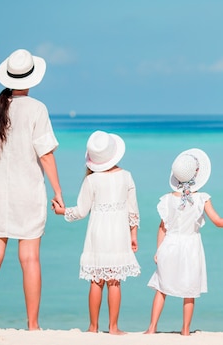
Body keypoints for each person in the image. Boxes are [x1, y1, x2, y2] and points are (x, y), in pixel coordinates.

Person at [0, 48, 64, 330]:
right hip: (28, 194)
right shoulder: (37, 109)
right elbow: (46, 155)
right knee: (30, 259)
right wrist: (58, 191)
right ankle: (33, 325)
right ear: (32, 78)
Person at [144, 148, 223, 336]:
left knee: (161, 288)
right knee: (189, 290)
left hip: (169, 245)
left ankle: (151, 328)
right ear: (197, 174)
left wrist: (158, 250)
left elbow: (162, 227)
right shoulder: (201, 198)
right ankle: (185, 330)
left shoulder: (167, 199)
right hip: (190, 247)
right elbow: (218, 221)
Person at [52, 130, 140, 335]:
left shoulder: (91, 181)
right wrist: (133, 235)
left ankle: (93, 327)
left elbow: (81, 211)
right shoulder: (126, 176)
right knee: (114, 281)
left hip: (97, 234)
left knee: (96, 280)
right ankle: (114, 327)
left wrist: (61, 211)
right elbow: (133, 211)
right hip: (119, 234)